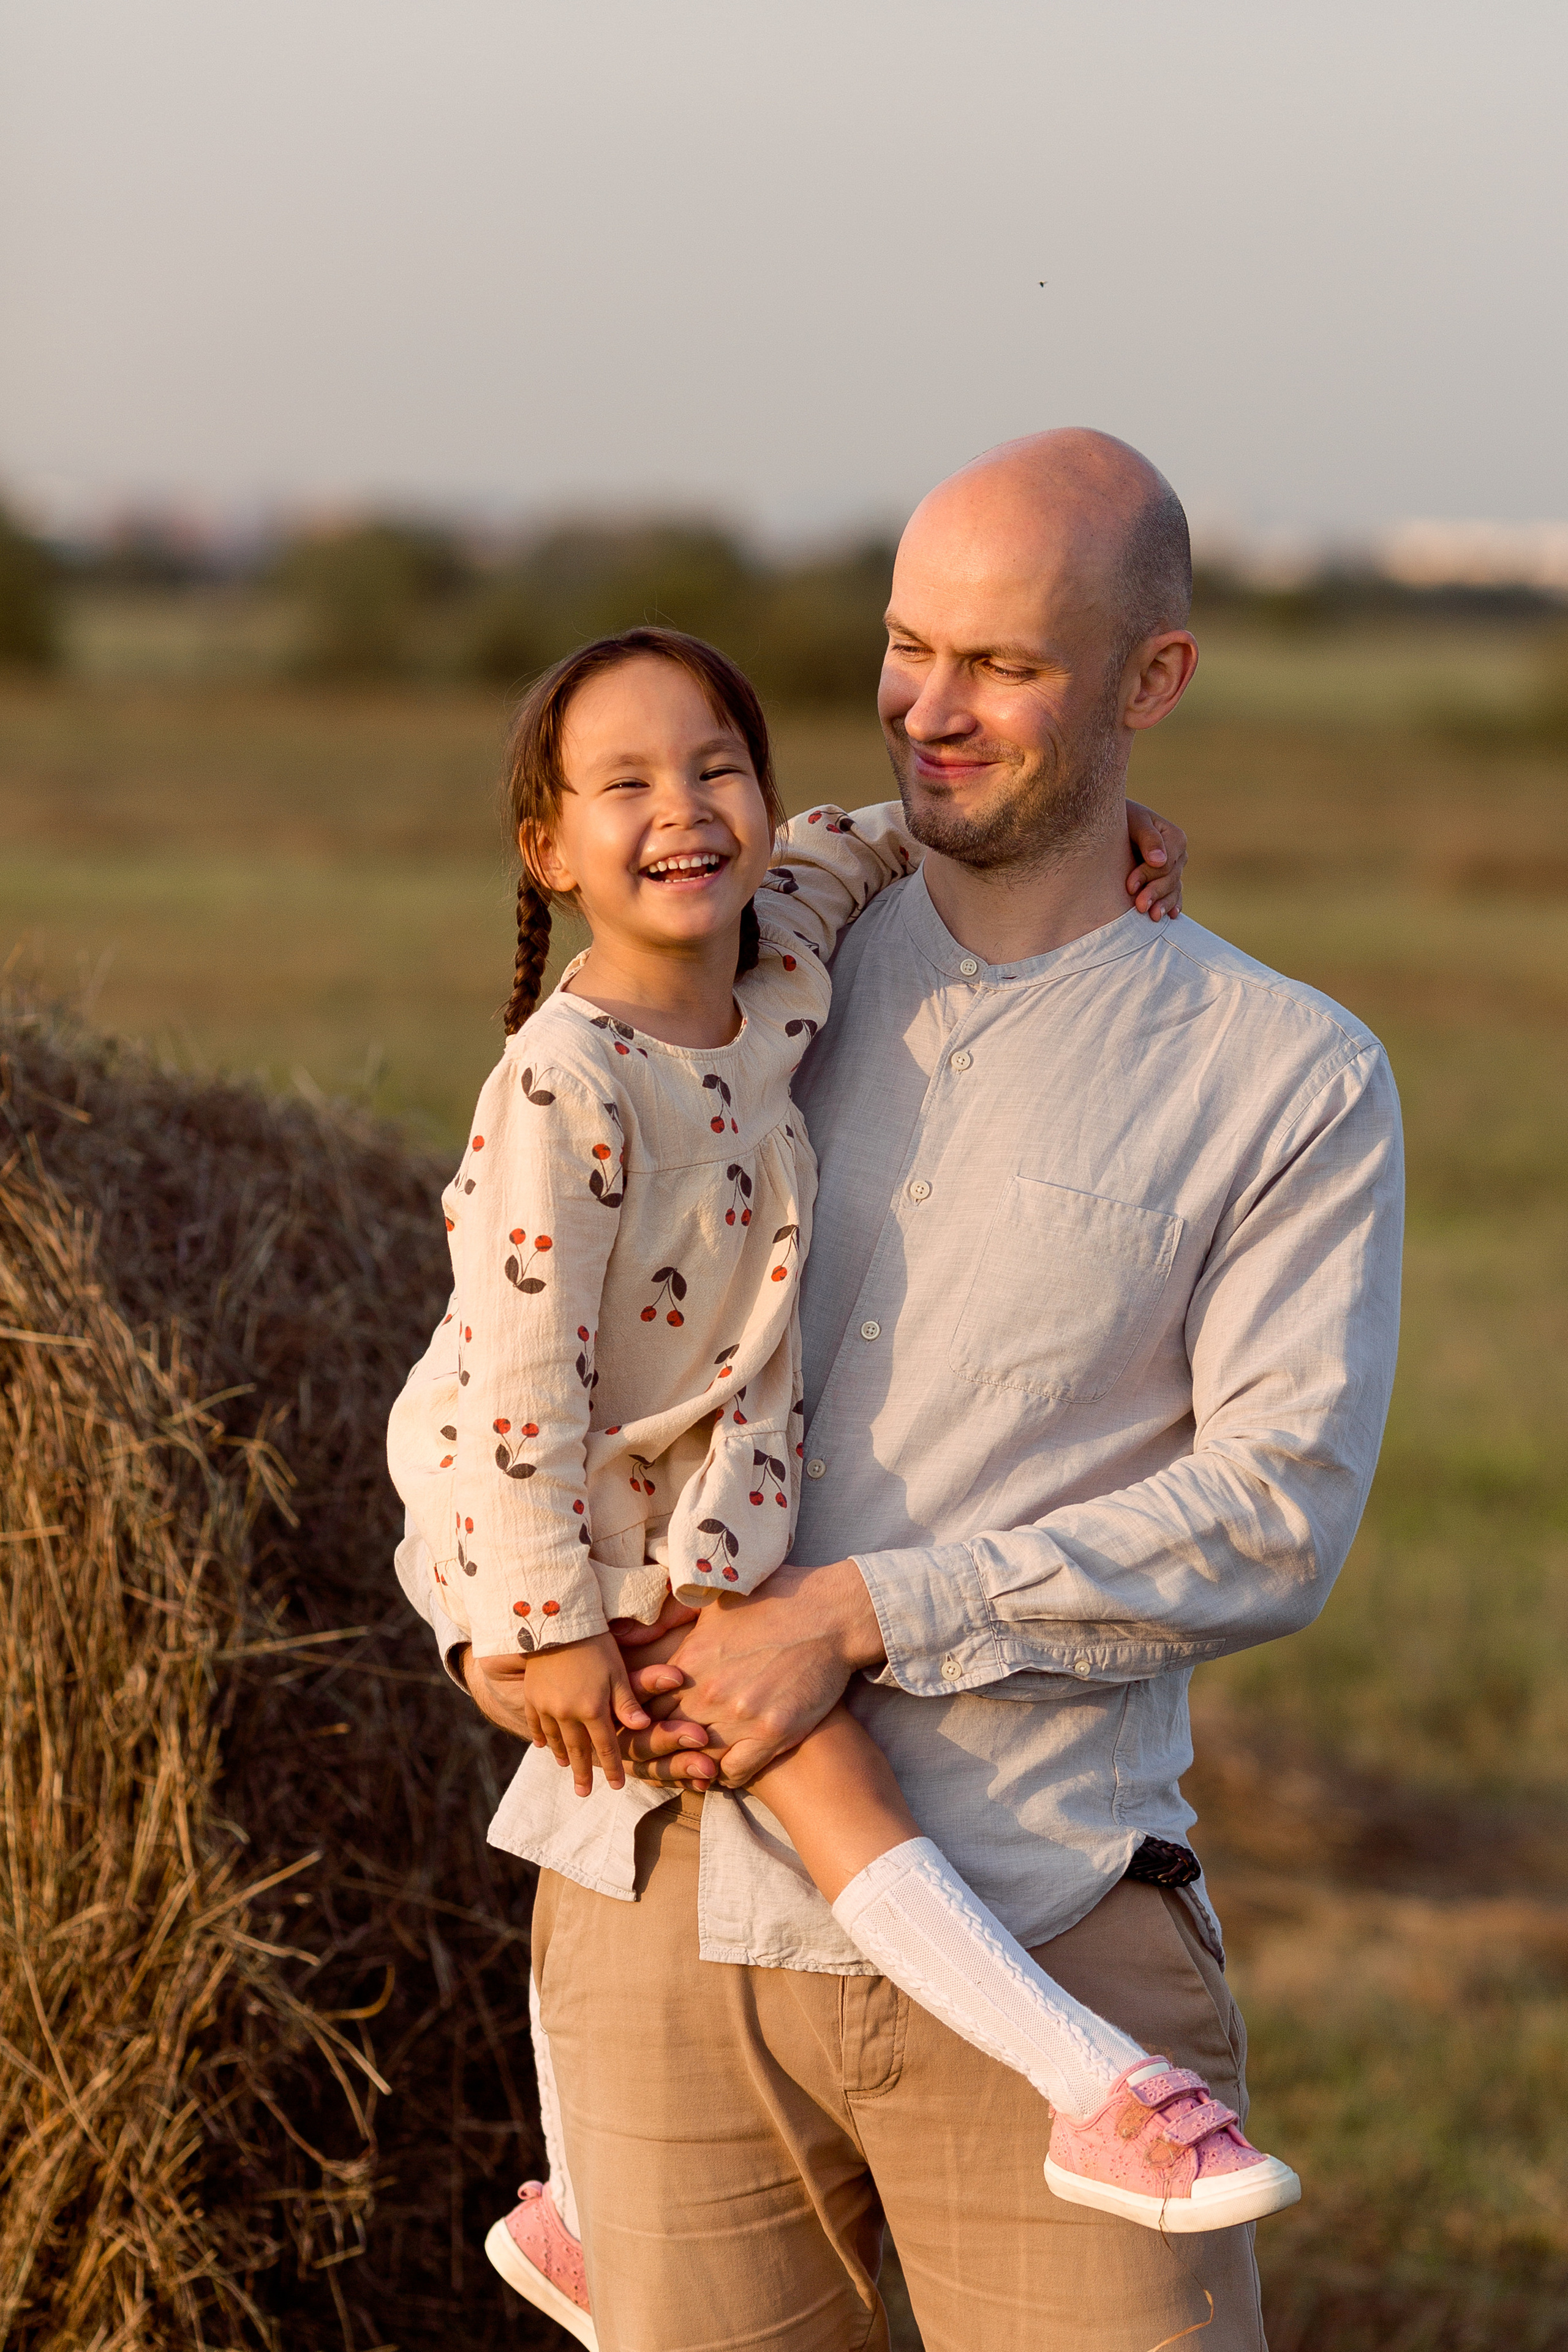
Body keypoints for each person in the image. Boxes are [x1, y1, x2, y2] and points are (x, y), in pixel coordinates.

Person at [402, 429, 1404, 2352]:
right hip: (658, 1911)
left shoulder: (1292, 1076)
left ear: (1153, 681)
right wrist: (485, 1619)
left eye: (1006, 667)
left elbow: (1278, 1511)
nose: (930, 715)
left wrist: (855, 1618)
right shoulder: (733, 968)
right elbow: (492, 1358)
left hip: (1044, 1914)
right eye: (904, 648)